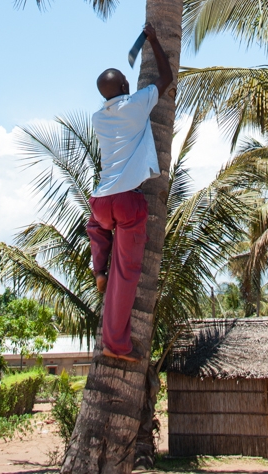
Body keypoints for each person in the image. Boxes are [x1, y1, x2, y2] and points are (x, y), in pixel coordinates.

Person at [87, 23, 173, 361]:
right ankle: (117, 344)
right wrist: (153, 40)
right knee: (126, 273)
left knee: (97, 227)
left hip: (101, 200)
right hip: (125, 200)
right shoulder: (136, 106)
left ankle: (98, 270)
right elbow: (164, 79)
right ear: (125, 86)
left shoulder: (99, 116)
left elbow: (120, 89)